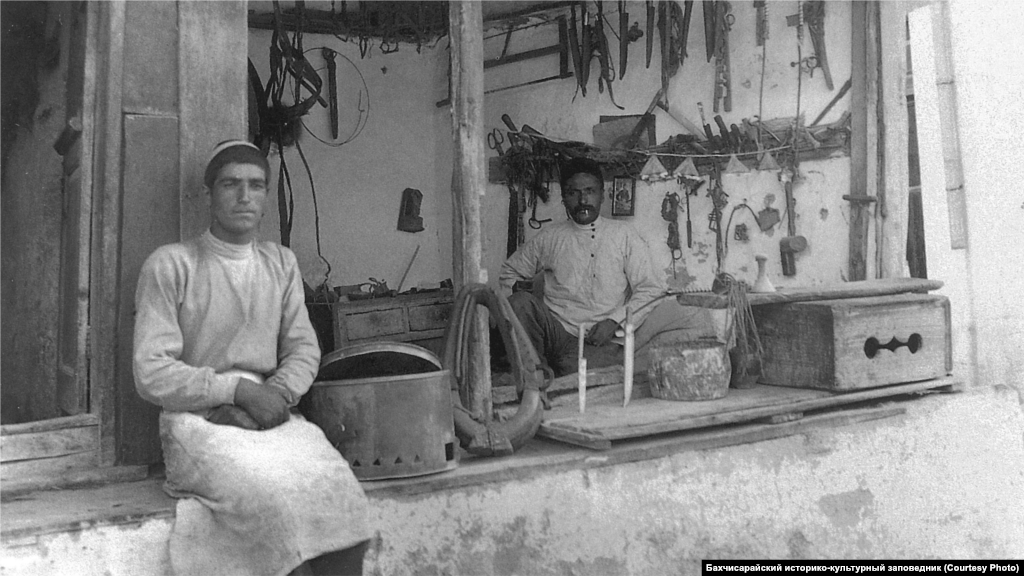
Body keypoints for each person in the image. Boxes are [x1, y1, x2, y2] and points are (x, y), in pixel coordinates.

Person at [133, 140, 371, 576]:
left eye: (256, 185)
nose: (244, 196)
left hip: (270, 412)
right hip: (198, 419)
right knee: (273, 505)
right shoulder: (172, 264)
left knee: (341, 495)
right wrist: (237, 391)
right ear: (209, 195)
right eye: (231, 184)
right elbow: (151, 370)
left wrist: (271, 397)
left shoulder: (280, 263)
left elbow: (303, 348)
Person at [498, 157, 668, 377]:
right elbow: (510, 272)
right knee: (520, 303)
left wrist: (615, 321)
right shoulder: (550, 237)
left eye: (590, 191)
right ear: (563, 198)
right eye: (573, 193)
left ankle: (551, 370)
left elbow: (652, 288)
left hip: (600, 339)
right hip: (556, 333)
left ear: (602, 195)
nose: (582, 200)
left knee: (580, 375)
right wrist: (522, 295)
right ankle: (533, 376)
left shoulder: (624, 235)